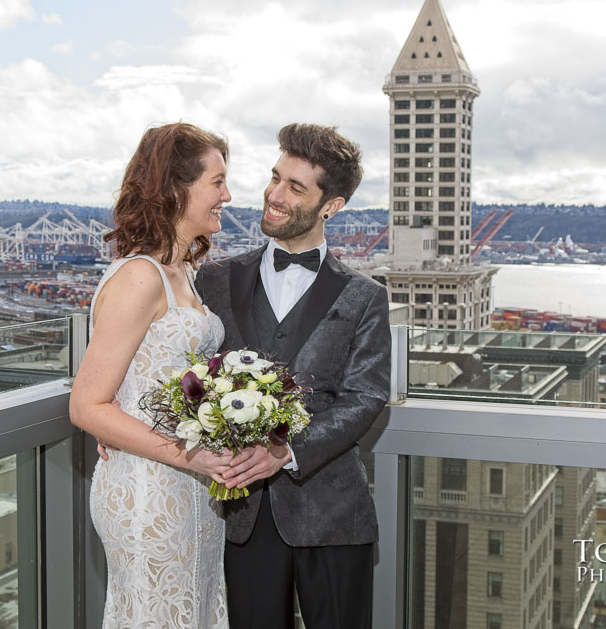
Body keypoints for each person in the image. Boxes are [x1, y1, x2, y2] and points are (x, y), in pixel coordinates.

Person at [195, 123, 391, 629]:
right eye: (275, 178)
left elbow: (365, 396)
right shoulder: (215, 278)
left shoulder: (364, 295)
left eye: (295, 187)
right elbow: (182, 365)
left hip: (334, 514)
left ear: (332, 205)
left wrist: (286, 450)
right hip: (244, 514)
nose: (274, 195)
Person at [69, 122, 234, 628]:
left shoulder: (182, 271)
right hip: (149, 490)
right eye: (217, 182)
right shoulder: (140, 276)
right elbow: (86, 405)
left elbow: (154, 376)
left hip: (193, 486)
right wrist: (193, 455)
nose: (227, 195)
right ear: (177, 188)